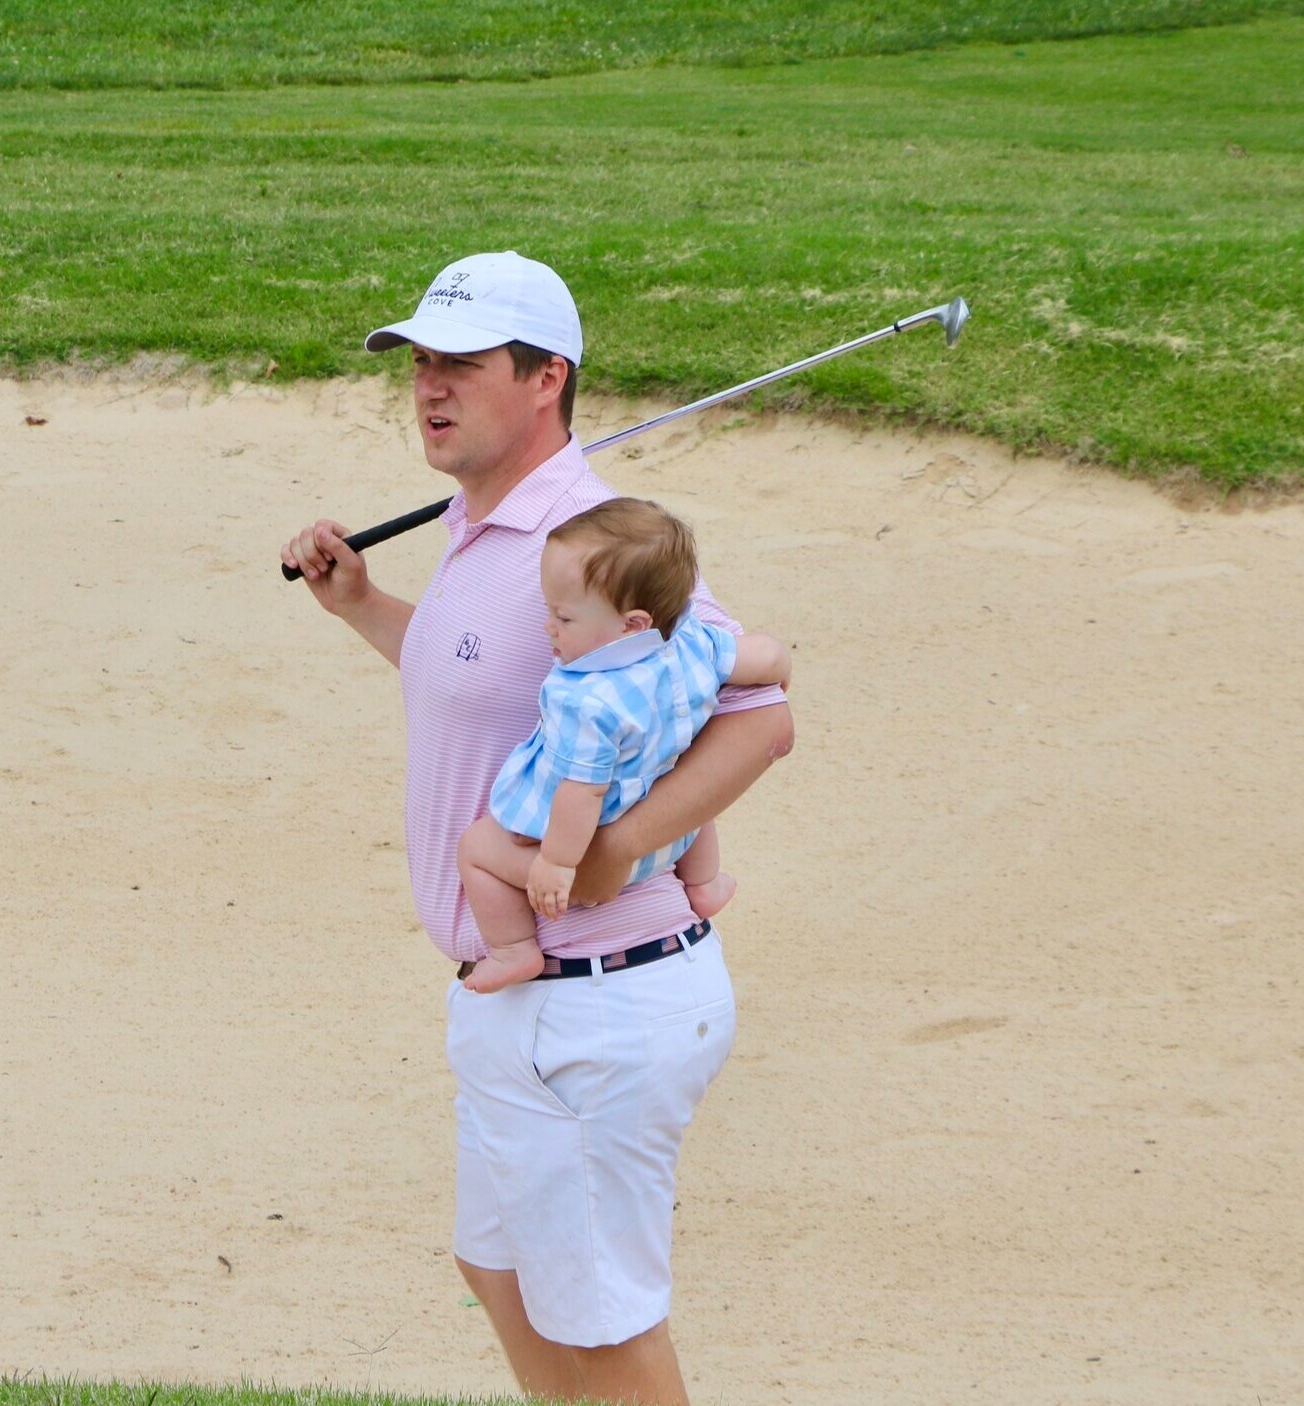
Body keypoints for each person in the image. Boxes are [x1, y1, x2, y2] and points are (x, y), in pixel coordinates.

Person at [281, 250, 792, 1406]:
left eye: (460, 362)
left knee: (600, 1321)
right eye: (418, 362)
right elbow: (474, 682)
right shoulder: (483, 525)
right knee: (499, 1267)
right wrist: (361, 602)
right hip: (521, 994)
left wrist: (604, 854)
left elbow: (759, 717)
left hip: (600, 995)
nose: (428, 386)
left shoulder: (592, 540)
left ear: (546, 376)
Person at [457, 497, 792, 994]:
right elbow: (765, 657)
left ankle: (513, 948)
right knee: (687, 782)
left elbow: (582, 790)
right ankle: (705, 884)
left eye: (564, 618)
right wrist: (781, 669)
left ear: (632, 624)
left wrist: (556, 862)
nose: (549, 626)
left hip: (592, 849)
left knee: (476, 848)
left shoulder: (586, 699)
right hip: (671, 839)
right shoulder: (693, 643)